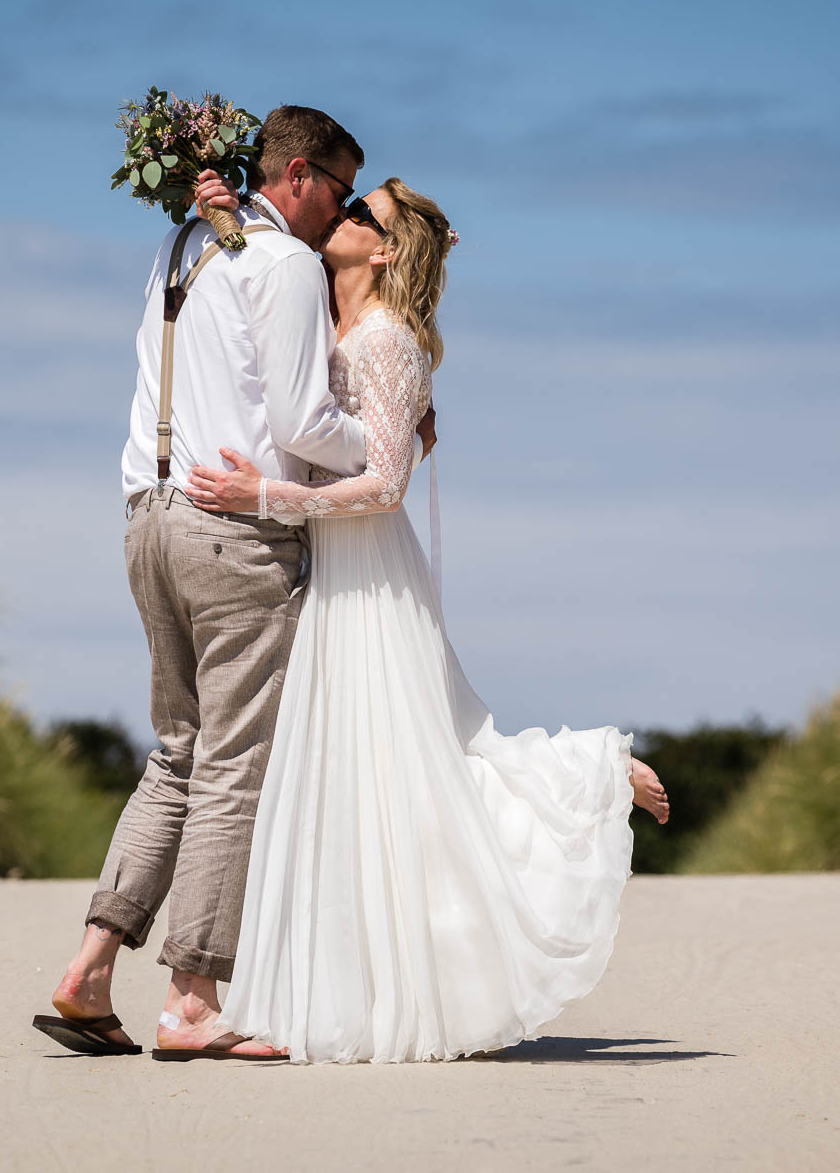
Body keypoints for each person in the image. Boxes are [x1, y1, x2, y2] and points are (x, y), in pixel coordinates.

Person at [183, 177, 670, 1063]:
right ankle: (313, 1004)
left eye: (361, 214)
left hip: (369, 574)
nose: (342, 218)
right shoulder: (330, 325)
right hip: (333, 569)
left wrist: (268, 495)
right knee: (349, 774)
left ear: (386, 250)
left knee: (403, 768)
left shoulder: (387, 341)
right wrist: (221, 204)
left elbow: (386, 485)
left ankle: (593, 773)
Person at [33, 105, 433, 1060]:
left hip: (146, 517)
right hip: (232, 534)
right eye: (336, 190)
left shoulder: (184, 246)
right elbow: (301, 421)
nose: (336, 214)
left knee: (174, 752)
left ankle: (90, 969)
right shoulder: (286, 263)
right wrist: (386, 433)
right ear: (296, 174)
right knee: (230, 765)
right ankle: (193, 1000)